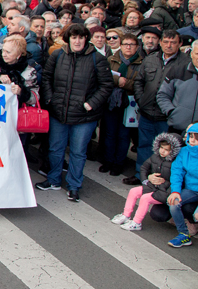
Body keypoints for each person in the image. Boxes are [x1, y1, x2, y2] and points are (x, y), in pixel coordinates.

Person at [37, 24, 115, 202]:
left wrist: (91, 104)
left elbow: (106, 85)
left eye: (81, 37)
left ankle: (74, 185)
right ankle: (53, 179)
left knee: (78, 152)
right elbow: (47, 78)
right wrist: (50, 99)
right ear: (68, 39)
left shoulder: (97, 58)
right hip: (59, 112)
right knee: (55, 149)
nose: (77, 41)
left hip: (84, 116)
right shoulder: (57, 55)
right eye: (74, 37)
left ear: (86, 38)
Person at [128, 30, 189, 185]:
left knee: (165, 150)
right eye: (166, 42)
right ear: (160, 42)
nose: (169, 45)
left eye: (173, 42)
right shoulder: (151, 59)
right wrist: (141, 100)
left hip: (167, 117)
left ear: (179, 44)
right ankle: (141, 175)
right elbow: (139, 81)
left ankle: (161, 180)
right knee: (144, 145)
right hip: (147, 112)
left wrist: (175, 111)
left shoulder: (185, 63)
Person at [111, 133, 182, 231]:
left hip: (165, 192)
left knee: (145, 198)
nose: (162, 151)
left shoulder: (176, 163)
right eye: (161, 147)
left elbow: (177, 181)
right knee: (133, 191)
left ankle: (137, 222)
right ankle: (125, 215)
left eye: (167, 150)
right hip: (153, 186)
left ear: (174, 151)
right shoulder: (155, 156)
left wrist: (166, 192)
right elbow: (144, 167)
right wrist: (146, 179)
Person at [101, 32, 142, 176]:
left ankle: (119, 163)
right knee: (110, 133)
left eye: (132, 45)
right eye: (125, 44)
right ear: (121, 45)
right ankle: (108, 161)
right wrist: (117, 81)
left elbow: (141, 83)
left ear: (137, 47)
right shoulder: (111, 59)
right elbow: (103, 76)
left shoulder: (142, 63)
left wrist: (126, 84)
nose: (128, 47)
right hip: (112, 101)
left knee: (124, 135)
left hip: (130, 103)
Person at [166, 124, 198, 248]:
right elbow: (177, 172)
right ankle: (184, 235)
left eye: (196, 136)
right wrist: (175, 191)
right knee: (173, 202)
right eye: (190, 135)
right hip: (192, 190)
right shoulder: (184, 152)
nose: (192, 139)